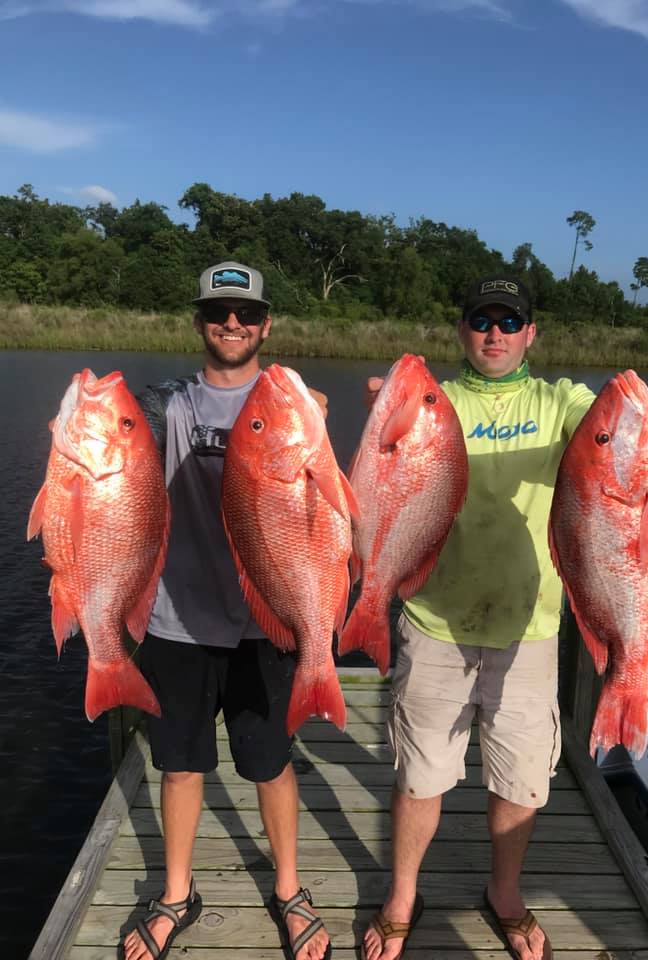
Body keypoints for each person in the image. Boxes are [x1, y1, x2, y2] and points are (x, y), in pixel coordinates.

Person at [361, 277, 648, 960]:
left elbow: (610, 426)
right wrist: (383, 417)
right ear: (462, 329)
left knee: (521, 780)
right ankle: (402, 895)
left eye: (510, 322)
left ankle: (504, 892)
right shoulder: (436, 402)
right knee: (419, 775)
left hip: (530, 628)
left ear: (531, 333)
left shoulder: (561, 403)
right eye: (482, 320)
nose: (495, 334)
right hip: (434, 620)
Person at [123, 261, 331, 960]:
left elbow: (335, 511)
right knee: (180, 766)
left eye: (246, 313)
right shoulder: (171, 405)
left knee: (270, 763)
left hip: (263, 623)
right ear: (200, 322)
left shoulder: (297, 408)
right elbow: (120, 450)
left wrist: (317, 425)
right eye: (218, 312)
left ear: (266, 325)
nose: (232, 323)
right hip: (176, 621)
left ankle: (289, 890)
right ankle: (176, 893)